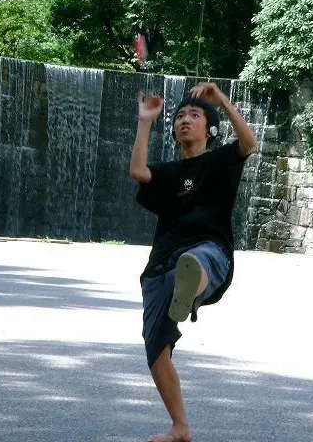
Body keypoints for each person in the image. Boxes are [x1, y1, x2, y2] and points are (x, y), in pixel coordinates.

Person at [129, 82, 257, 442]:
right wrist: (145, 122)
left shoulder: (221, 160)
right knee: (156, 349)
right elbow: (139, 172)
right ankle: (180, 427)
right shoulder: (168, 173)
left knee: (195, 260)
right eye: (180, 116)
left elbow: (249, 143)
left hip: (209, 249)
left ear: (209, 129)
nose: (185, 119)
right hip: (159, 266)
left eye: (194, 115)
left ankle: (190, 288)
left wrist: (222, 101)